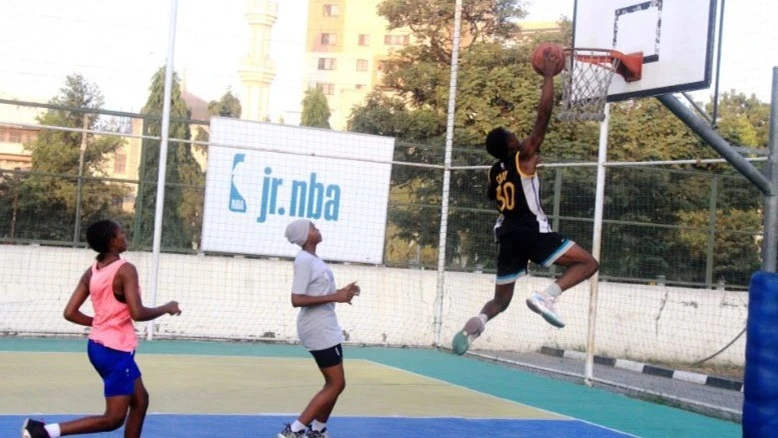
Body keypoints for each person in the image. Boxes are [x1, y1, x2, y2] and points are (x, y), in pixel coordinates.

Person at [452, 49, 599, 356]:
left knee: (500, 302)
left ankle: (475, 325)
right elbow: (543, 116)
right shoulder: (523, 157)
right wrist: (548, 76)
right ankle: (547, 296)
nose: (520, 137)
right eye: (514, 135)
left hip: (506, 236)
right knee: (588, 263)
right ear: (510, 144)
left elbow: (494, 197)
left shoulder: (494, 170)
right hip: (530, 230)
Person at [22, 220, 181, 438]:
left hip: (98, 347)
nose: (125, 236)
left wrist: (99, 323)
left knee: (140, 400)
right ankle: (44, 432)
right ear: (113, 242)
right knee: (113, 419)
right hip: (115, 351)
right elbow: (138, 313)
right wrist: (167, 307)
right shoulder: (125, 270)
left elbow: (70, 312)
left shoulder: (92, 272)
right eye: (121, 233)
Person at [278, 219, 360, 438]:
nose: (318, 229)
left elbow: (320, 295)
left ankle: (318, 429)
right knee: (336, 383)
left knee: (335, 383)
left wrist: (342, 292)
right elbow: (296, 299)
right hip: (318, 328)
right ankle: (294, 431)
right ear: (305, 236)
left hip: (328, 327)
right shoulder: (304, 260)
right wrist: (337, 296)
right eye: (313, 228)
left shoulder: (314, 260)